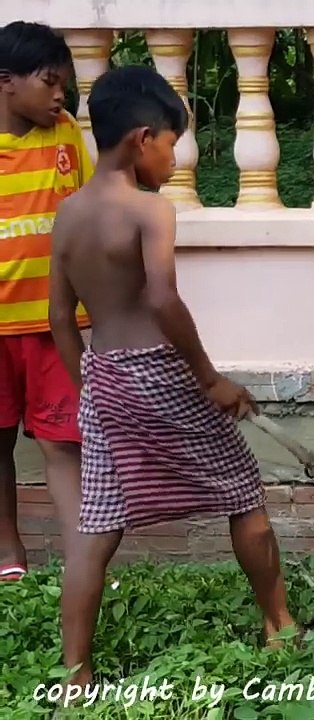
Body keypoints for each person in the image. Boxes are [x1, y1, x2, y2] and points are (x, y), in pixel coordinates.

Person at [47, 64, 295, 693]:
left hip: (104, 373)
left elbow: (59, 316)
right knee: (243, 491)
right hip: (161, 370)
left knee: (96, 525)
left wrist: (91, 387)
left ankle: (75, 673)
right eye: (171, 144)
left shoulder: (69, 213)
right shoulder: (150, 210)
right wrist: (210, 378)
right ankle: (279, 625)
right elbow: (162, 299)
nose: (174, 160)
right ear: (141, 138)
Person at [0, 21, 91, 583]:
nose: (61, 96)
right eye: (50, 82)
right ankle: (8, 554)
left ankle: (84, 556)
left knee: (64, 443)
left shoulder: (64, 135)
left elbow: (84, 214)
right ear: (6, 81)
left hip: (56, 327)